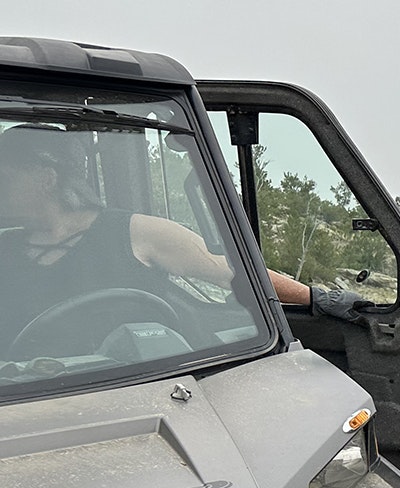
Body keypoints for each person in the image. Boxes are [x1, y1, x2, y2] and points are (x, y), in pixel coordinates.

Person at [0, 124, 366, 342]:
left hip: (142, 391)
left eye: (5, 176)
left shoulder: (135, 232)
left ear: (46, 180)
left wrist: (318, 298)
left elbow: (235, 271)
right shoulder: (5, 249)